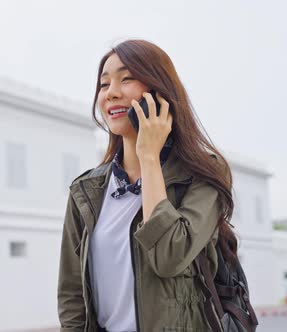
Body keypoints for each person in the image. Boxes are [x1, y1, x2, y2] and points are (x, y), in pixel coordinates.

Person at [57, 40, 238, 332]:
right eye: (104, 85)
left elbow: (169, 256)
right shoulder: (86, 191)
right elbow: (72, 294)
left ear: (159, 93)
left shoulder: (203, 175)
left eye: (126, 79)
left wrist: (149, 158)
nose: (111, 93)